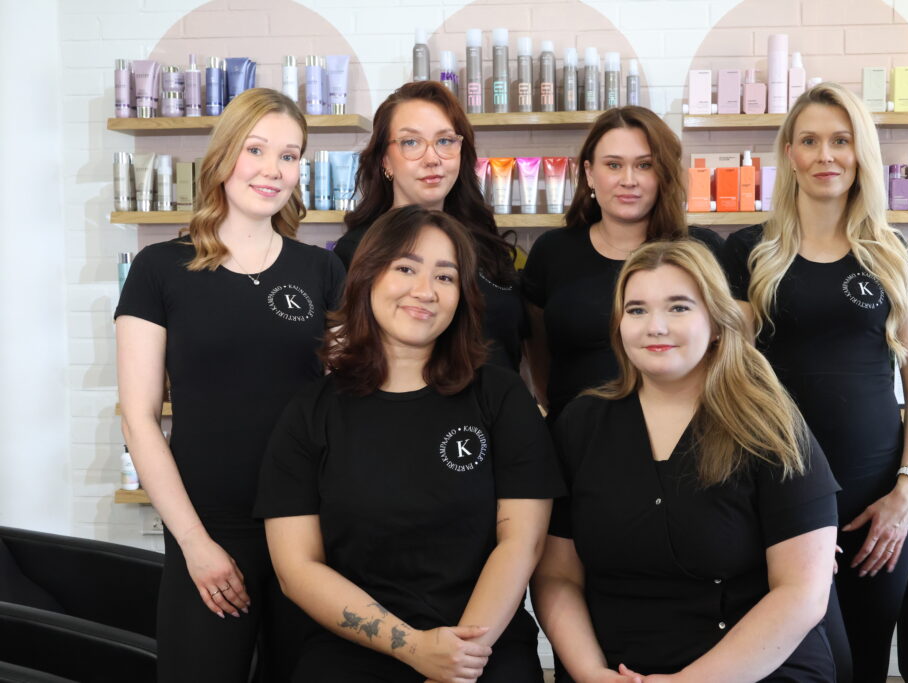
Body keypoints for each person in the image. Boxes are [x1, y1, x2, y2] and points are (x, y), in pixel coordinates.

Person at [255, 206, 564, 682]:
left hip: (482, 646)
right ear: (367, 277)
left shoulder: (500, 397)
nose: (425, 291)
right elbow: (297, 568)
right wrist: (414, 648)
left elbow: (522, 542)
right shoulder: (311, 412)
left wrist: (458, 660)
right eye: (405, 268)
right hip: (352, 649)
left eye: (445, 276)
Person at [115, 88, 346, 681]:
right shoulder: (159, 269)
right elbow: (139, 417)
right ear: (223, 156)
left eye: (289, 156)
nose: (273, 170)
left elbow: (347, 399)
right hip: (208, 526)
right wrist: (194, 543)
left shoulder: (321, 269)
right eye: (256, 149)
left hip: (308, 526)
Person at [531, 240, 840, 681]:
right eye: (636, 310)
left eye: (678, 307)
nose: (655, 326)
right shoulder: (580, 424)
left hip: (752, 666)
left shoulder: (769, 425)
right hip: (614, 668)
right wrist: (589, 672)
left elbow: (802, 593)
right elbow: (556, 576)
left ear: (715, 323)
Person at [720, 82, 908, 682]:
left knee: (864, 660)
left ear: (860, 151)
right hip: (780, 494)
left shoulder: (892, 254)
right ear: (789, 153)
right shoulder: (750, 252)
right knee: (801, 662)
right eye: (810, 141)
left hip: (880, 503)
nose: (826, 156)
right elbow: (730, 375)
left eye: (841, 141)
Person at [522, 106, 724, 420]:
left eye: (644, 165)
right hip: (572, 433)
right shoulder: (552, 251)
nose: (628, 180)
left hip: (681, 431)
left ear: (663, 173)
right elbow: (537, 350)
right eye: (613, 165)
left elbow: (728, 352)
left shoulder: (701, 250)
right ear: (590, 173)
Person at [333, 81, 525, 372]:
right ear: (385, 161)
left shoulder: (486, 242)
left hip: (501, 399)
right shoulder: (358, 250)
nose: (432, 158)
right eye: (411, 142)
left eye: (445, 141)